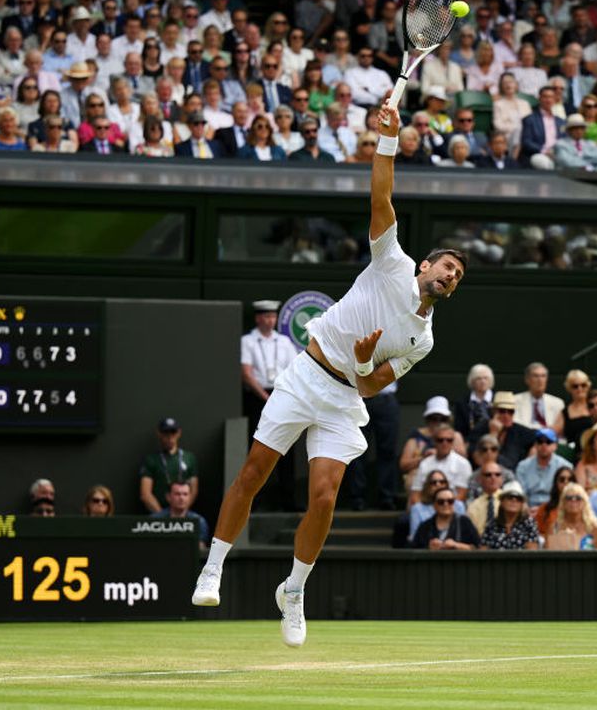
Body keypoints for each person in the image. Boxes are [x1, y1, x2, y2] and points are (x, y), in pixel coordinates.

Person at [192, 102, 469, 649]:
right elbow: (381, 198)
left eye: (458, 275)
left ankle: (293, 591)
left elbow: (371, 384)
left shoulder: (425, 338)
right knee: (254, 471)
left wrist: (365, 361)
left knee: (324, 498)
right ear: (424, 266)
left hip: (345, 399)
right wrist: (387, 141)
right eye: (446, 265)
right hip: (305, 377)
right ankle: (213, 566)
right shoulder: (390, 261)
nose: (451, 274)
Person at [240, 299, 299, 438]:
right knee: (258, 436)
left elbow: (294, 370)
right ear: (258, 318)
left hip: (282, 395)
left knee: (283, 437)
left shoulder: (284, 341)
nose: (271, 320)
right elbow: (246, 374)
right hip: (257, 397)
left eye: (273, 316)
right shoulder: (248, 341)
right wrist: (266, 397)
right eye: (267, 316)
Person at [139, 417, 198, 513]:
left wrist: (181, 512)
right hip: (159, 513)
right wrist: (164, 518)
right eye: (166, 433)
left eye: (173, 432)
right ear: (159, 434)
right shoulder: (151, 460)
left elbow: (194, 490)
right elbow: (145, 494)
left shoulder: (189, 458)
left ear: (178, 433)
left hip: (184, 514)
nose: (170, 437)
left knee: (200, 523)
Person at [412, 422, 472, 501]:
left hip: (451, 507)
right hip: (426, 507)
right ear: (434, 441)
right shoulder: (425, 463)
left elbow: (461, 495)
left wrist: (443, 508)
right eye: (440, 440)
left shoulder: (463, 464)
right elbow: (416, 493)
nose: (445, 443)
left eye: (449, 440)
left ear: (453, 441)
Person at [515, 429, 571, 510]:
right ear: (535, 445)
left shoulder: (565, 466)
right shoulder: (523, 466)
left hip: (556, 508)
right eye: (540, 442)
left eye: (548, 442)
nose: (544, 445)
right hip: (528, 509)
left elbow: (566, 493)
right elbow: (521, 493)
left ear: (555, 446)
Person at [479, 482, 540, 550]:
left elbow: (532, 552)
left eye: (518, 498)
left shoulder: (529, 524)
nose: (514, 500)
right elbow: (483, 552)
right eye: (510, 497)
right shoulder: (491, 525)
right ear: (502, 502)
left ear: (522, 504)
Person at [544, 482, 597, 550]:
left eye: (578, 498)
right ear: (563, 503)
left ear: (584, 502)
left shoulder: (594, 528)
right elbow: (548, 556)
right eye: (569, 498)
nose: (573, 500)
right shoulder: (554, 528)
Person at [151, 481, 210, 550]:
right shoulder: (155, 520)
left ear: (190, 497)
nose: (181, 498)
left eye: (185, 494)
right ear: (168, 497)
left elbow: (200, 549)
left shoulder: (199, 521)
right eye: (177, 494)